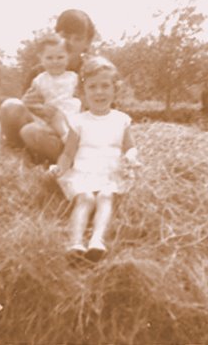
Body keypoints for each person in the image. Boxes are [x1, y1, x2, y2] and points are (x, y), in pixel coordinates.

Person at [48, 56, 140, 261]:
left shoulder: (121, 120)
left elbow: (130, 147)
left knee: (106, 196)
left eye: (105, 86)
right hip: (84, 172)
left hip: (110, 173)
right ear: (83, 92)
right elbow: (68, 153)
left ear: (115, 89)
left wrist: (131, 157)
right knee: (86, 198)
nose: (99, 92)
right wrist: (60, 168)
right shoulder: (78, 121)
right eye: (92, 87)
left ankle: (97, 240)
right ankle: (75, 242)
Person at [0, 9, 96, 164]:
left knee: (34, 133)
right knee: (11, 108)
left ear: (87, 43)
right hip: (43, 128)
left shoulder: (92, 71)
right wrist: (27, 104)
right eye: (65, 36)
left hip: (74, 133)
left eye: (77, 39)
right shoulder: (39, 73)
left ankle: (69, 158)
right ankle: (18, 154)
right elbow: (23, 113)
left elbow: (106, 113)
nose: (70, 43)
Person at [21, 32, 81, 143]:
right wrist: (41, 108)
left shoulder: (74, 78)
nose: (55, 62)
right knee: (50, 119)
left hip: (73, 115)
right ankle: (66, 138)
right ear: (41, 58)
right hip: (50, 118)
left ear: (68, 57)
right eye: (49, 58)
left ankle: (73, 139)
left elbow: (82, 97)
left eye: (60, 57)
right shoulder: (40, 80)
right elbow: (30, 103)